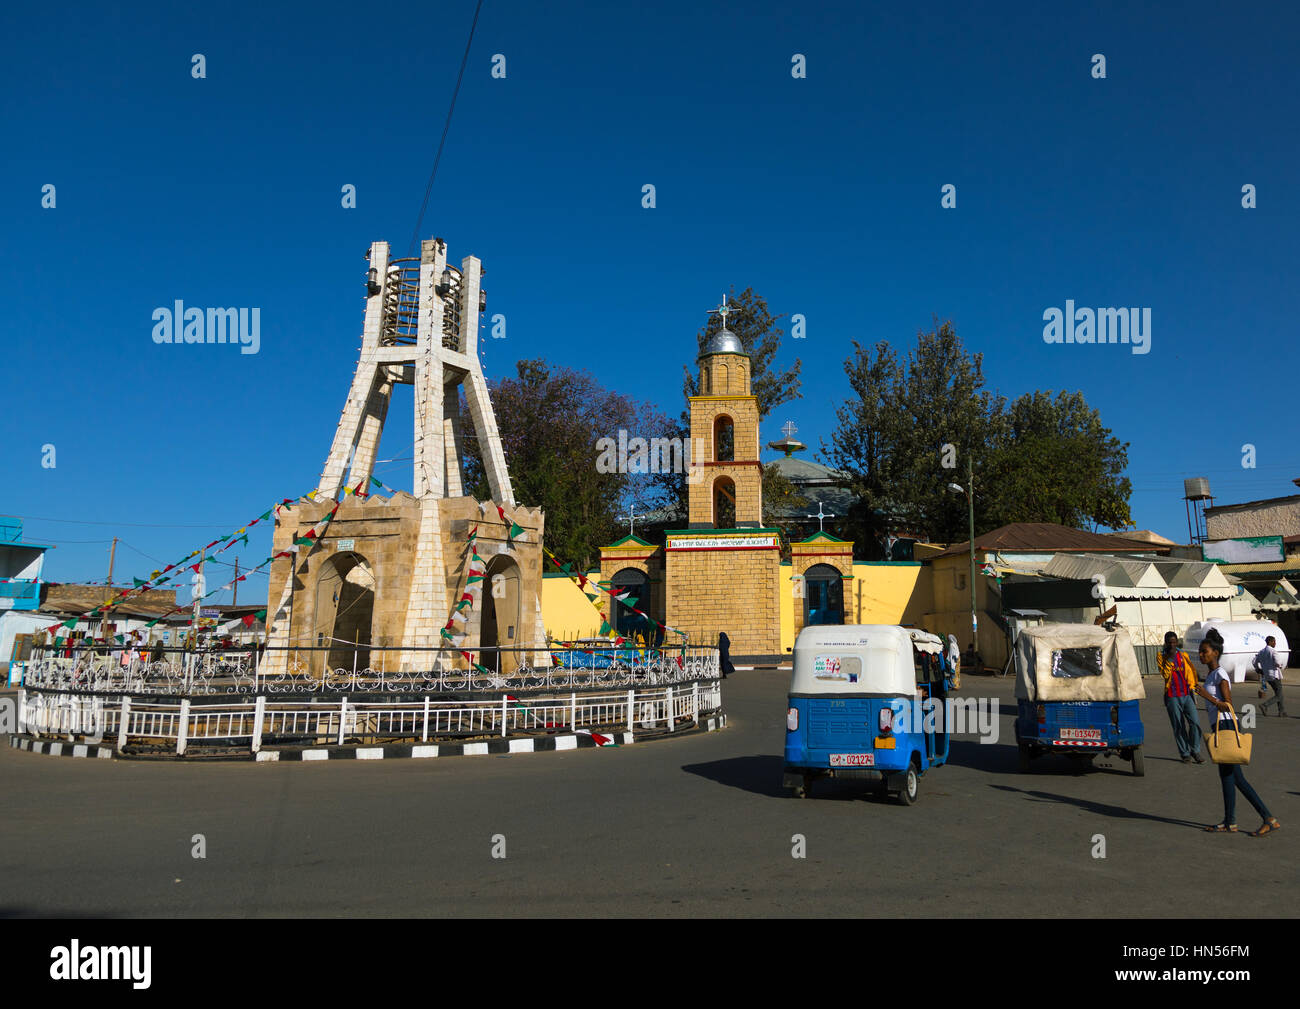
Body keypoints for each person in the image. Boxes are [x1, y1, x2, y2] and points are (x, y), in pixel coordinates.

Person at [1194, 627, 1280, 836]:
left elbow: (1228, 704)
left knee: (1235, 778)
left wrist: (1207, 696)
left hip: (1226, 726)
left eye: (1204, 651)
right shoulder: (1213, 674)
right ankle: (1230, 822)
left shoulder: (1220, 674)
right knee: (1228, 777)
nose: (1201, 654)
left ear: (1215, 652)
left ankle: (1267, 818)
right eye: (1200, 651)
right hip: (1221, 725)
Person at [1156, 631, 1204, 763]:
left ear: (1177, 642)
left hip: (1187, 694)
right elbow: (1165, 674)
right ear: (1166, 643)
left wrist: (1194, 687)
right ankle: (1185, 753)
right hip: (1172, 696)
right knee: (1178, 726)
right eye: (1169, 642)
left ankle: (1195, 750)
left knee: (1195, 723)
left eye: (1174, 642)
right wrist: (1170, 659)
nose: (1172, 645)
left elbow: (1190, 672)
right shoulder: (1161, 656)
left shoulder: (1183, 655)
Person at [1253, 635, 1287, 717]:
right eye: (1274, 641)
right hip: (1274, 675)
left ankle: (1281, 711)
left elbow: (1254, 661)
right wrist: (1280, 665)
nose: (1275, 643)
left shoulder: (1261, 651)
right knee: (1279, 695)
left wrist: (1258, 669)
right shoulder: (1273, 651)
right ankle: (1265, 705)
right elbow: (1278, 663)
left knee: (1278, 693)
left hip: (1267, 675)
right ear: (1270, 642)